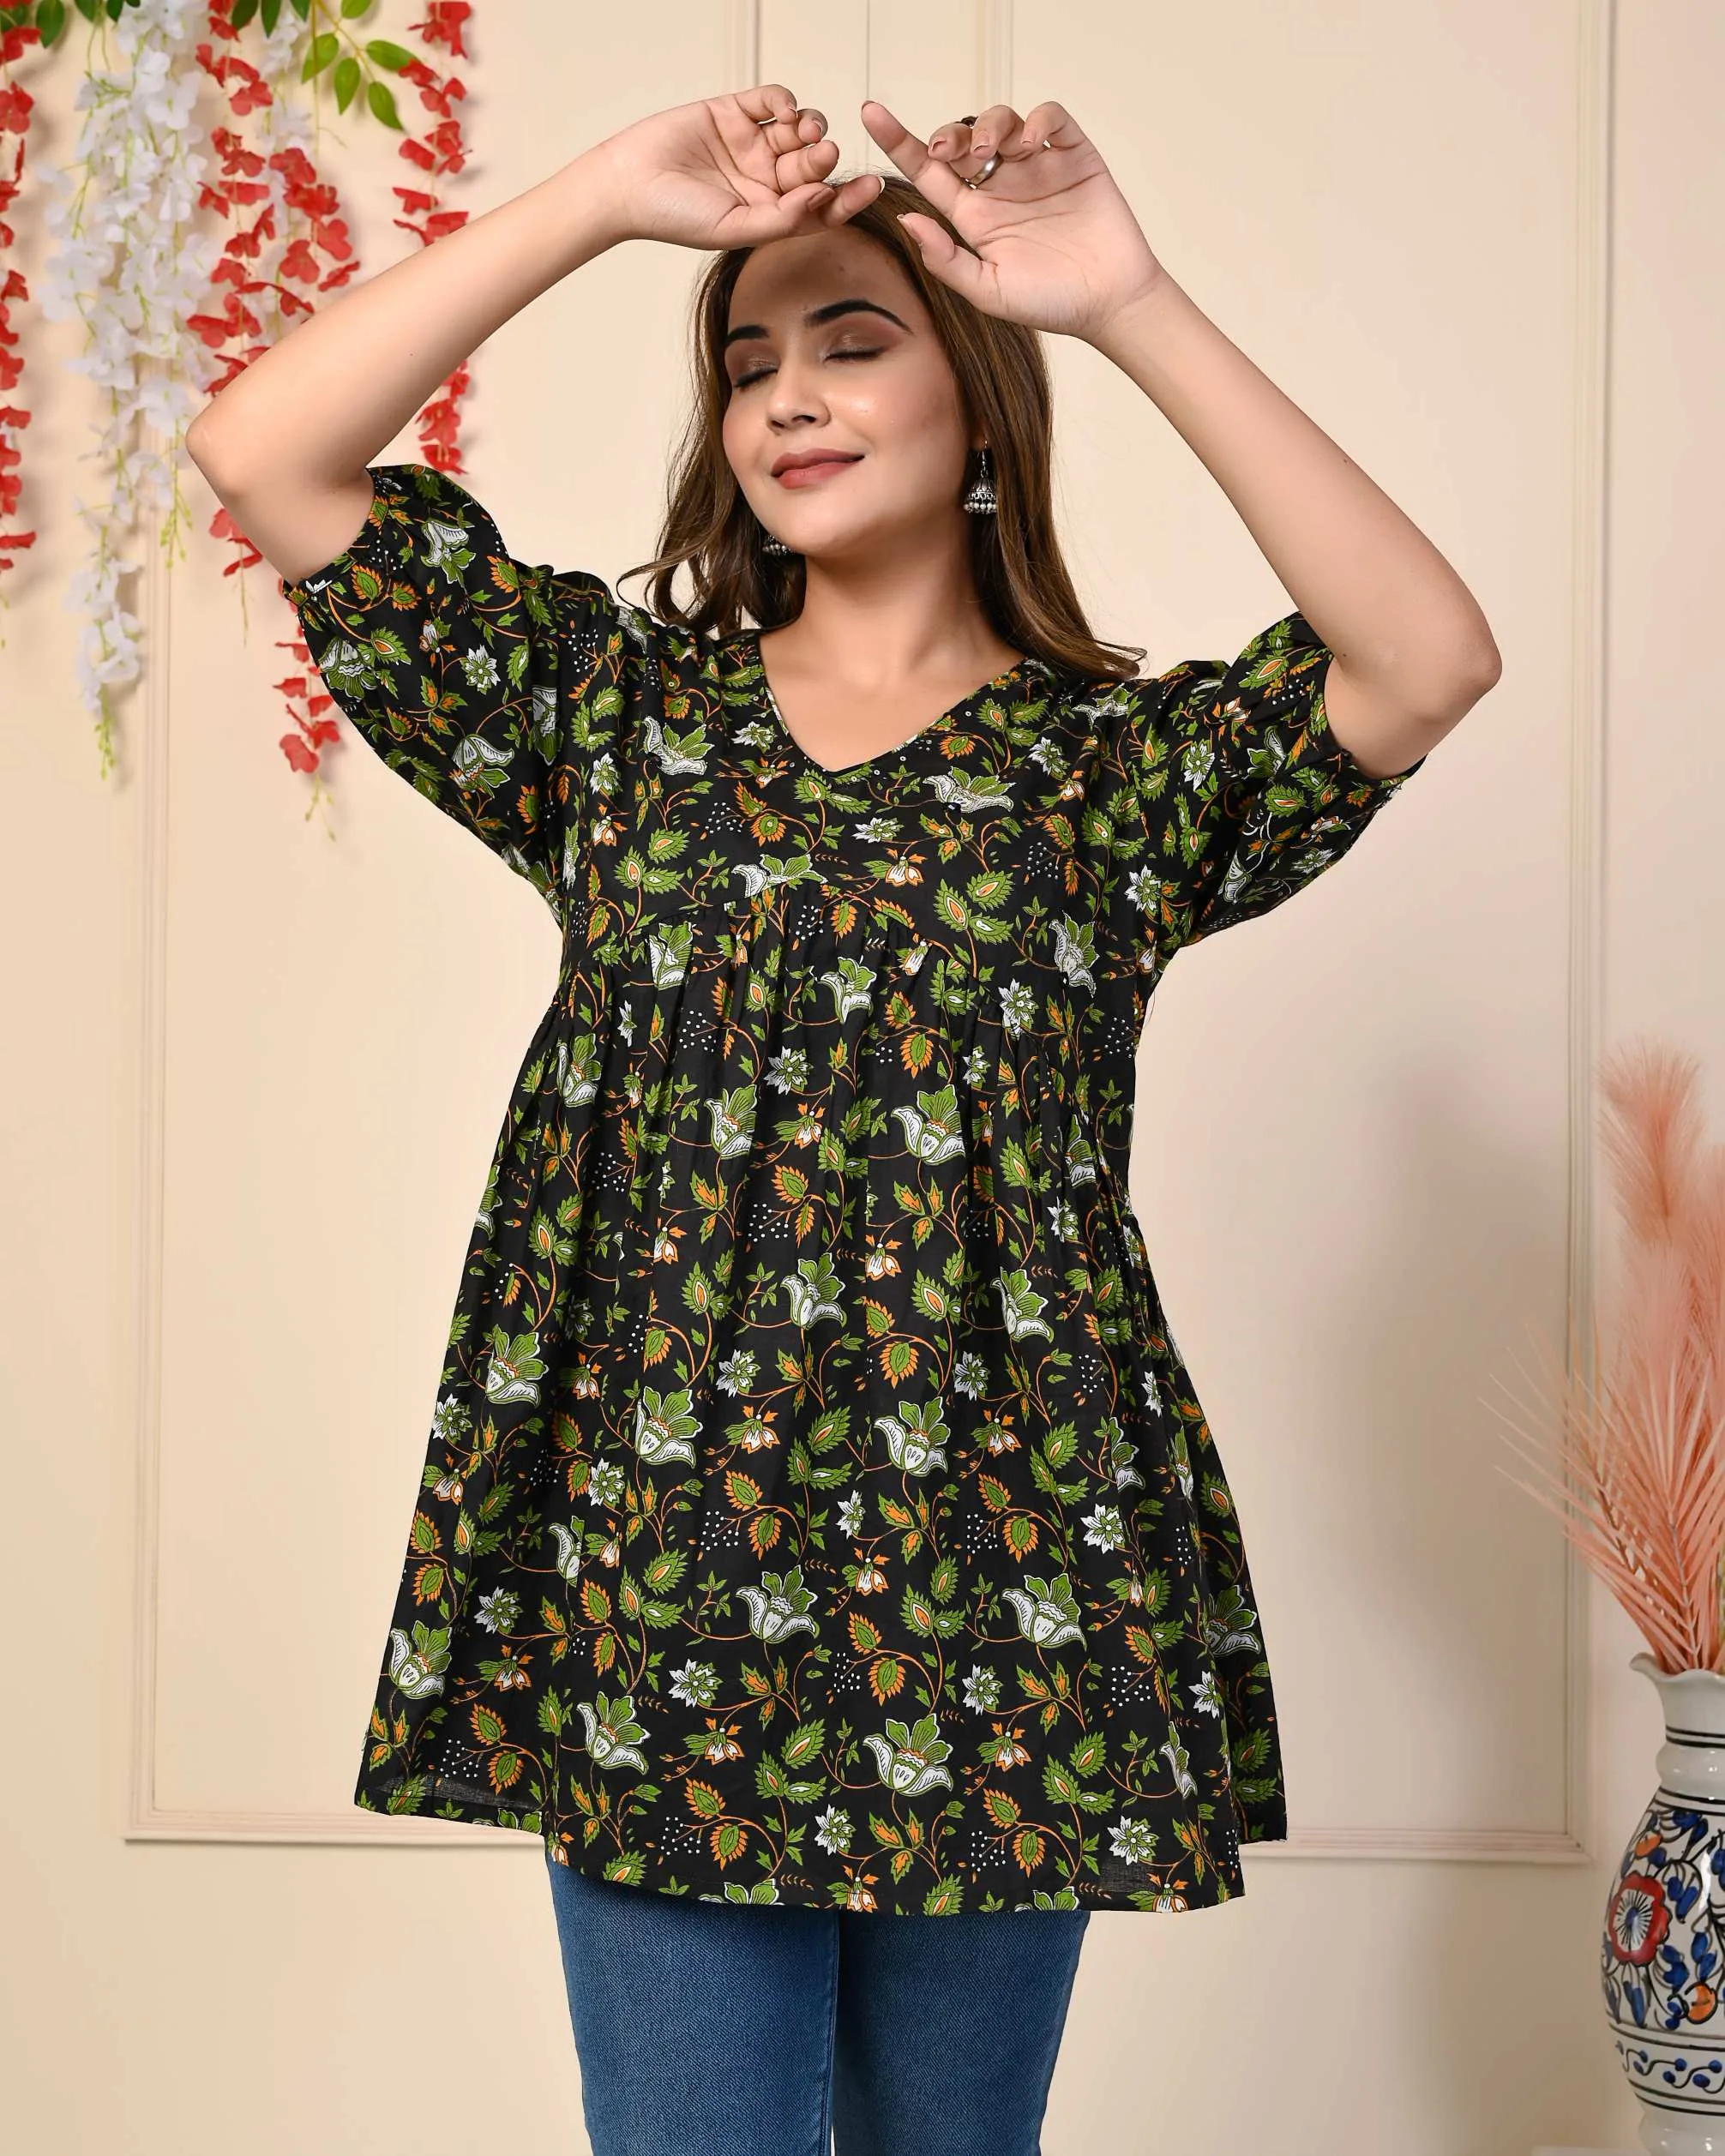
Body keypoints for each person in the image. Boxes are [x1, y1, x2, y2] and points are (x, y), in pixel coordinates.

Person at [187, 81, 1500, 2156]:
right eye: (745, 360)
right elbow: (262, 449)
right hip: (664, 1572)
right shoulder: (616, 723)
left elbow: (1424, 656)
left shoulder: (1108, 780)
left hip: (1012, 1571)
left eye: (853, 340)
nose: (786, 393)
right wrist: (607, 198)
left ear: (977, 400)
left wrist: (1125, 299)